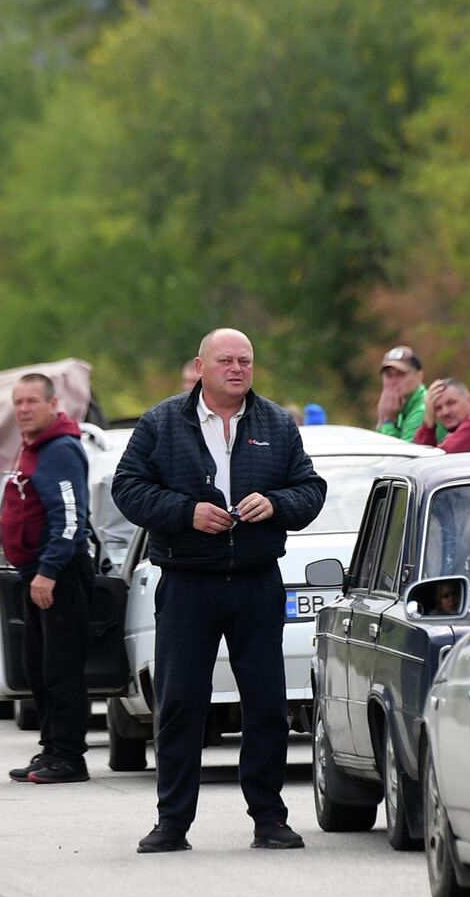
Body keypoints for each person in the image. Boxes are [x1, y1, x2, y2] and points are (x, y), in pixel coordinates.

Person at [112, 329, 327, 853]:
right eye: (226, 360)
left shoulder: (276, 423)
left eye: (246, 361)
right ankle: (172, 822)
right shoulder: (162, 423)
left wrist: (275, 504)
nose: (237, 369)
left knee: (266, 705)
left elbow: (311, 489)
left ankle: (269, 819)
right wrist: (186, 513)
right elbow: (128, 487)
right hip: (187, 581)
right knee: (182, 702)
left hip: (256, 582)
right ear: (200, 366)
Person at [0, 373, 94, 784]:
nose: (23, 409)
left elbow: (71, 517)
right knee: (38, 668)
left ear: (53, 404)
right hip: (36, 573)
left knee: (61, 669)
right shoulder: (33, 448)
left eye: (32, 401)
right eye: (17, 402)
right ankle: (52, 748)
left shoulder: (59, 450)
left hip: (59, 574)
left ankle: (70, 757)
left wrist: (49, 571)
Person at [375, 346, 427, 442]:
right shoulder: (397, 406)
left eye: (400, 374)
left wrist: (388, 422)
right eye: (389, 375)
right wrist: (382, 419)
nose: (393, 382)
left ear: (419, 377)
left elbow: (400, 455)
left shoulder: (423, 409)